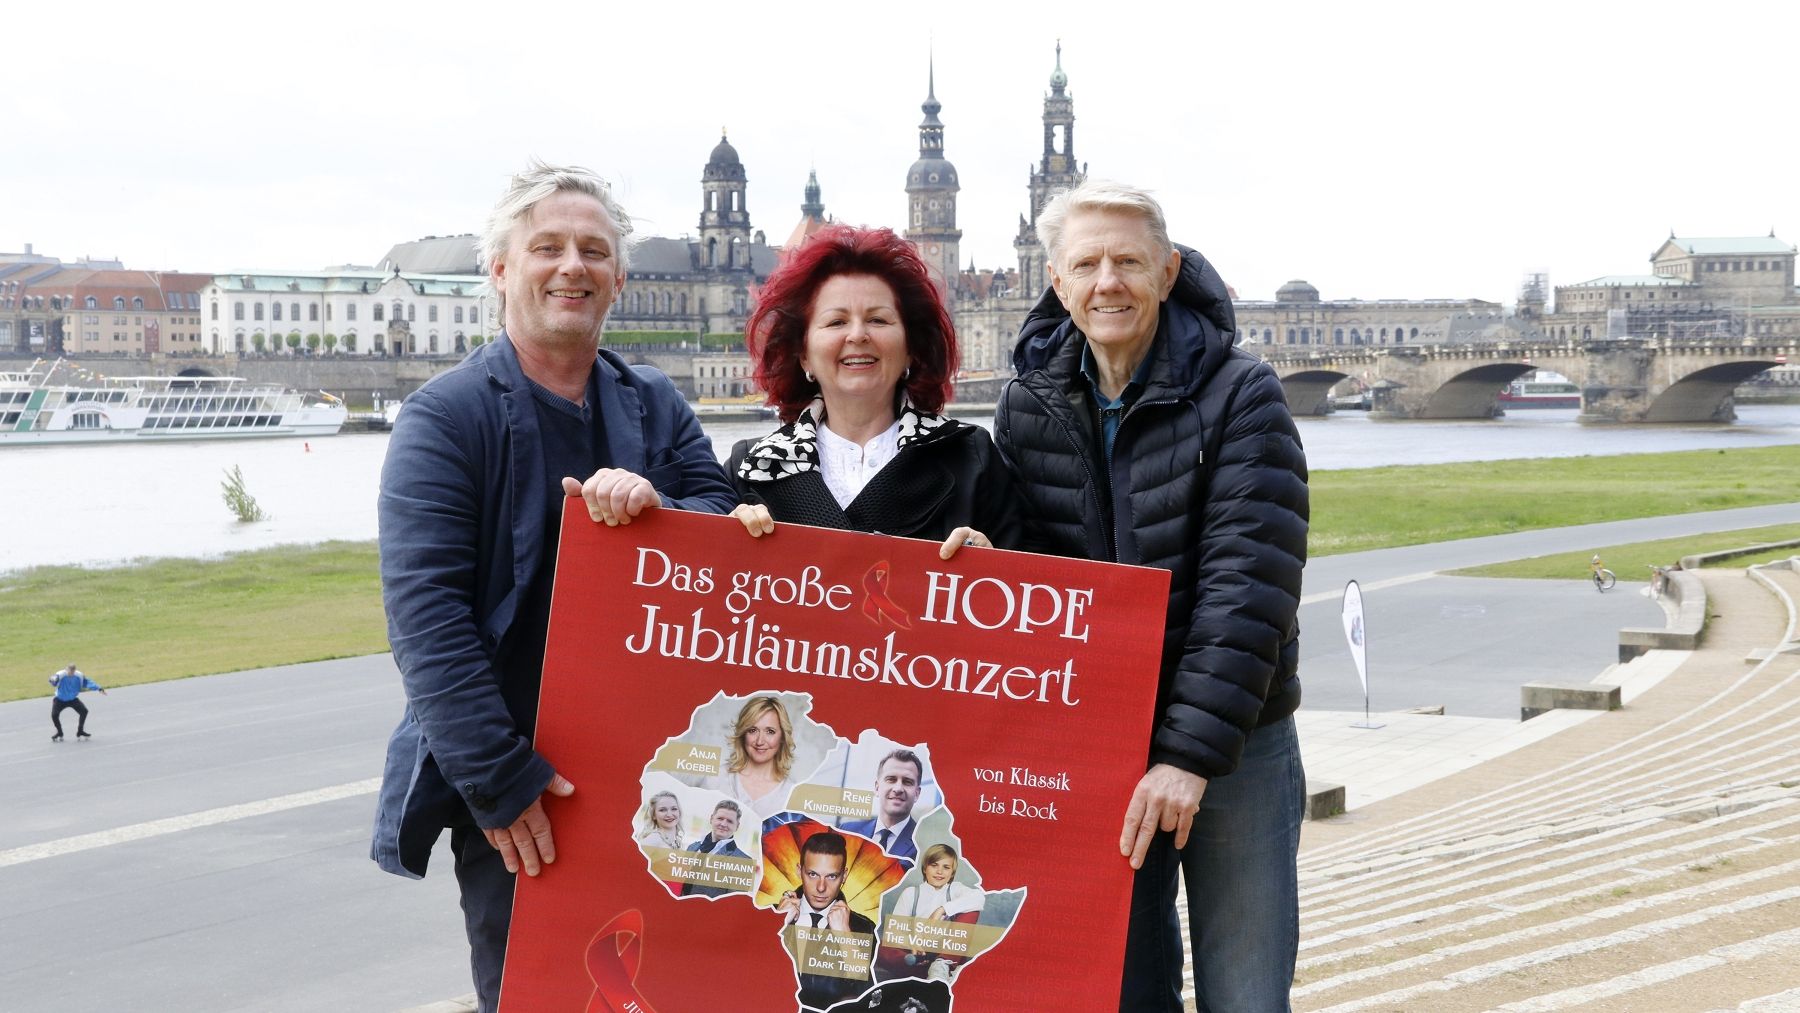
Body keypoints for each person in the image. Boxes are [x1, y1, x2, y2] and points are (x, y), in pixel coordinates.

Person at [370, 160, 737, 1013]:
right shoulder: (443, 417)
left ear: (618, 278)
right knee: (540, 995)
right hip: (523, 783)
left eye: (594, 250)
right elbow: (427, 620)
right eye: (548, 247)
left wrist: (660, 507)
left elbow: (715, 513)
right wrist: (501, 783)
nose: (573, 265)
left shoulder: (652, 400)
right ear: (500, 270)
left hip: (654, 775)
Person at [993, 179, 1309, 1012]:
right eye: (1087, 264)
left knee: (1245, 992)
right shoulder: (1027, 402)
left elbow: (1250, 587)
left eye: (1128, 261)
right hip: (1104, 741)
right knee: (1122, 989)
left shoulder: (1242, 392)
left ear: (1168, 273)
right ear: (1057, 283)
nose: (1109, 282)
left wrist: (1187, 755)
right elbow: (1034, 572)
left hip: (1233, 742)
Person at [725, 225, 1020, 559]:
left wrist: (996, 563)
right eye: (836, 322)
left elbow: (1030, 595)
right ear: (803, 353)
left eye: (878, 320)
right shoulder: (749, 467)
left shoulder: (971, 457)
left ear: (911, 347)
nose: (858, 335)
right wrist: (718, 542)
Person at [775, 830, 876, 1010]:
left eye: (831, 876)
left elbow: (870, 999)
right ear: (800, 871)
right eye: (813, 874)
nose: (821, 887)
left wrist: (845, 936)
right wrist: (774, 925)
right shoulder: (774, 914)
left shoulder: (864, 928)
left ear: (843, 877)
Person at [875, 843, 984, 982]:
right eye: (934, 865)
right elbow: (895, 932)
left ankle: (943, 964)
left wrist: (942, 909)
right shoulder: (911, 893)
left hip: (944, 951)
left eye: (946, 867)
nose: (939, 871)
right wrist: (910, 943)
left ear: (952, 873)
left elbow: (979, 898)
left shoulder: (955, 890)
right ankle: (914, 964)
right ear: (925, 868)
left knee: (972, 909)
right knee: (882, 945)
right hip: (916, 953)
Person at [701, 695, 801, 820]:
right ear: (743, 734)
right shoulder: (715, 779)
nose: (760, 741)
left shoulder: (792, 796)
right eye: (753, 730)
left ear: (782, 737)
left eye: (770, 731)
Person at [839, 749, 924, 864]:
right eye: (891, 779)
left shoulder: (925, 846)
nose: (898, 788)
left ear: (917, 794)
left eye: (907, 782)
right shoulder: (847, 832)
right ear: (877, 788)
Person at [681, 799, 751, 899]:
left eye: (730, 821)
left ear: (737, 826)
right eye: (720, 818)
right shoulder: (692, 847)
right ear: (711, 819)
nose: (723, 824)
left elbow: (733, 904)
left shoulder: (744, 861)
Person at [48, 663, 105, 741]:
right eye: (69, 672)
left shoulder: (79, 676)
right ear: (66, 669)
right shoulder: (60, 675)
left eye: (72, 672)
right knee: (54, 715)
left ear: (74, 671)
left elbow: (87, 682)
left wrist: (99, 688)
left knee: (84, 711)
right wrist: (52, 680)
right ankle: (59, 732)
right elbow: (53, 680)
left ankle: (80, 731)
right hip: (60, 700)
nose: (70, 674)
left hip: (72, 699)